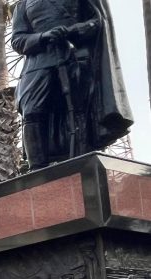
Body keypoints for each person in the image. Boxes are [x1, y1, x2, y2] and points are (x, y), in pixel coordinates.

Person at [11, 0, 131, 170]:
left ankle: (82, 164)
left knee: (79, 113)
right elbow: (17, 39)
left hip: (75, 58)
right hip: (38, 63)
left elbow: (97, 21)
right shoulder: (22, 5)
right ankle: (37, 171)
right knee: (31, 111)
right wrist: (43, 37)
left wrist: (73, 31)